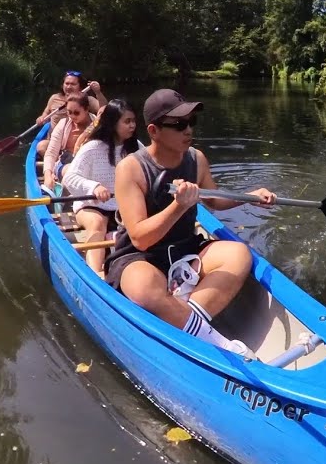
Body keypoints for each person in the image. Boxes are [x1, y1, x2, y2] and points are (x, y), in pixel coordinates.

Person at [105, 89, 276, 355]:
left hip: (186, 249)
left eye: (191, 122)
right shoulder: (132, 169)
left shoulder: (197, 159)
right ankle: (214, 341)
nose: (188, 130)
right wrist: (178, 206)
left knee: (239, 254)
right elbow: (140, 238)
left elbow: (215, 201)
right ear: (153, 130)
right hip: (140, 257)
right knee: (145, 288)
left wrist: (249, 197)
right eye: (179, 124)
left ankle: (182, 312)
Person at [62, 98, 144, 274]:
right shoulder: (92, 147)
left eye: (134, 121)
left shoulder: (136, 147)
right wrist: (94, 187)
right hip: (92, 204)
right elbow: (69, 178)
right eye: (127, 121)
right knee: (98, 223)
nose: (132, 126)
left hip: (123, 206)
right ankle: (95, 274)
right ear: (113, 123)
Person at [41, 93, 96, 189]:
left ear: (87, 109)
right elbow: (51, 153)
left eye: (76, 113)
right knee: (71, 171)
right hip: (66, 165)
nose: (72, 116)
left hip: (92, 166)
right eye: (69, 112)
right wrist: (47, 176)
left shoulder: (98, 125)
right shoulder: (63, 124)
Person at [36, 70, 106, 129]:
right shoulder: (54, 98)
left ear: (80, 86)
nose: (69, 87)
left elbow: (105, 109)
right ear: (63, 85)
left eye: (73, 84)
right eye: (67, 83)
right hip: (54, 138)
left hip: (77, 139)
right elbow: (46, 113)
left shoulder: (88, 100)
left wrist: (98, 92)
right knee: (41, 145)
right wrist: (41, 118)